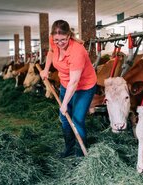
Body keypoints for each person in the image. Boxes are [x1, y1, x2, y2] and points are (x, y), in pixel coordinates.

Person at [40, 20, 97, 157]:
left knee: (77, 120)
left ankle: (80, 155)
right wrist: (46, 70)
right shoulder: (54, 40)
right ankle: (69, 148)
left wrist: (64, 104)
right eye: (56, 40)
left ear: (69, 36)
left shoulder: (77, 51)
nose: (59, 43)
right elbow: (51, 52)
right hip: (66, 84)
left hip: (84, 86)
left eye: (63, 40)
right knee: (64, 118)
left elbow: (75, 81)